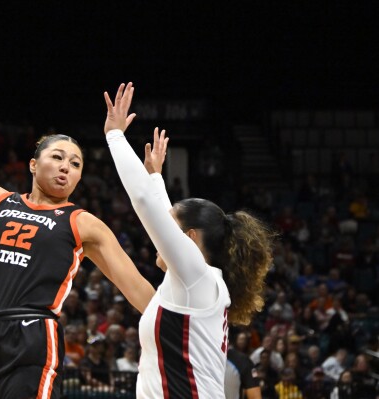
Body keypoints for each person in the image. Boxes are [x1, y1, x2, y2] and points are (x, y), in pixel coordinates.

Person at [0, 48, 154, 398]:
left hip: (29, 338)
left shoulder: (84, 224)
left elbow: (139, 291)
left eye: (76, 163)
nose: (67, 166)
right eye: (57, 157)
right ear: (33, 165)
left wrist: (189, 322)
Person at [103, 82, 274, 398]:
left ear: (190, 239)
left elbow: (144, 203)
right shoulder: (196, 280)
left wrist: (114, 135)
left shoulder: (196, 277)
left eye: (171, 232)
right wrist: (155, 176)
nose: (160, 238)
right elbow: (165, 211)